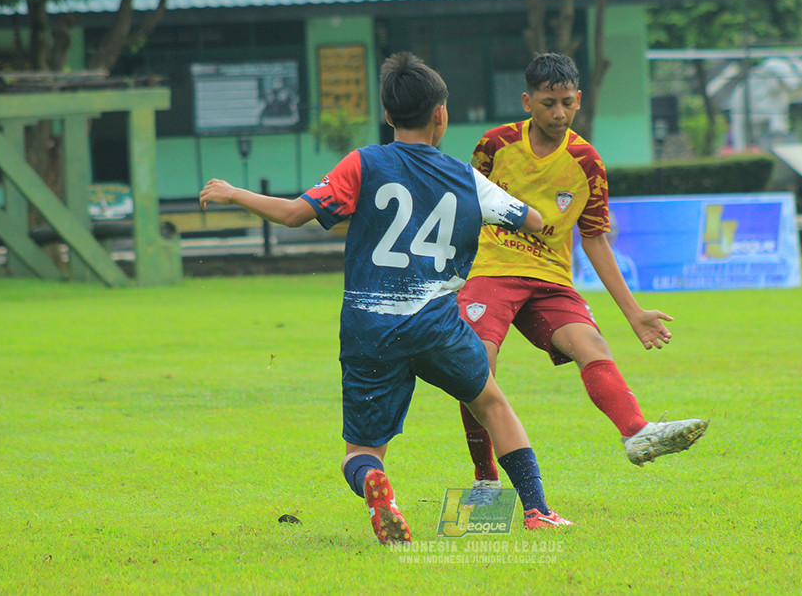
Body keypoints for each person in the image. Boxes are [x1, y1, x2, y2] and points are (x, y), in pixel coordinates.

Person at [199, 52, 571, 545]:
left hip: (369, 327)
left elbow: (293, 214)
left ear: (388, 115)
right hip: (437, 324)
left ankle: (377, 485)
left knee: (360, 451)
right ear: (441, 114)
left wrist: (234, 193)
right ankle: (538, 510)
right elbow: (533, 222)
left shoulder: (364, 163)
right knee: (491, 403)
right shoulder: (464, 177)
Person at [456, 53, 708, 487]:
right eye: (549, 102)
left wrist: (634, 312)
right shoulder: (494, 145)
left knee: (591, 344)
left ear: (578, 102)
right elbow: (464, 202)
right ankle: (485, 478)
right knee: (477, 364)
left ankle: (636, 433)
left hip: (550, 279)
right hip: (491, 269)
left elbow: (593, 239)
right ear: (527, 102)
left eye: (568, 103)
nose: (559, 113)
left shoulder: (587, 163)